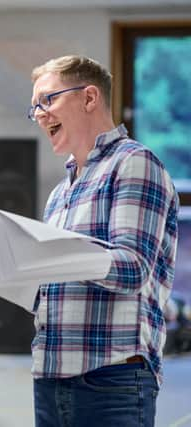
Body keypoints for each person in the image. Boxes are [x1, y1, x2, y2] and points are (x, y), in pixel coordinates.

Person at [27, 55, 179, 427]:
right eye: (34, 108)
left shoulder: (134, 164)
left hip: (111, 381)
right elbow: (56, 289)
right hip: (50, 377)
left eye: (47, 100)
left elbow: (132, 268)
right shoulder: (60, 193)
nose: (40, 114)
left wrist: (59, 256)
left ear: (89, 98)